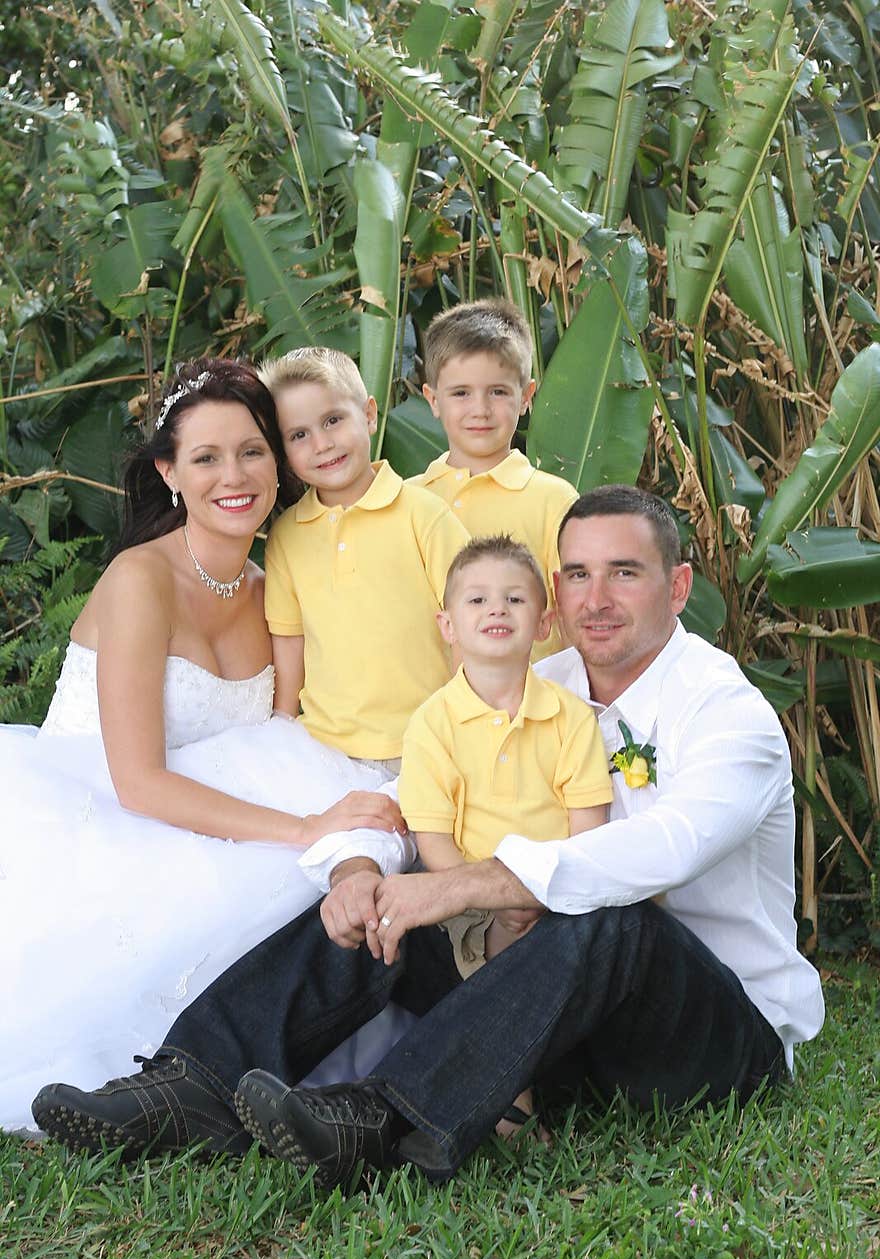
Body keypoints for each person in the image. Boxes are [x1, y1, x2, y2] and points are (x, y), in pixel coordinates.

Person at [33, 486, 825, 1184]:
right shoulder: (538, 684)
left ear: (678, 585)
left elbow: (660, 854)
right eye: (578, 574)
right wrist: (357, 870)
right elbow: (406, 794)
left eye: (626, 572)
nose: (598, 597)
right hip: (549, 1017)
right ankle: (193, 1083)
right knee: (383, 903)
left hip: (709, 1031)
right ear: (556, 590)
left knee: (613, 917)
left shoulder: (729, 716)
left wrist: (458, 885)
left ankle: (382, 1120)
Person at [0, 358, 407, 1137]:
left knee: (339, 870)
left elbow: (295, 726)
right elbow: (140, 783)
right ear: (170, 473)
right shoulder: (138, 581)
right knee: (287, 864)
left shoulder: (273, 585)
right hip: (102, 811)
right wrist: (301, 827)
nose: (236, 475)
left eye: (252, 451)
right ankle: (167, 1088)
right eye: (207, 457)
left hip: (217, 808)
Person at [398, 533, 612, 1133]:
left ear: (544, 623)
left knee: (551, 938)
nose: (497, 610)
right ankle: (512, 1104)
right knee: (502, 943)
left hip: (557, 892)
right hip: (465, 901)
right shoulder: (433, 725)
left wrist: (542, 892)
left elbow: (587, 832)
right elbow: (433, 840)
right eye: (477, 601)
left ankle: (514, 1092)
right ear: (447, 625)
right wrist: (489, 898)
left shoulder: (571, 719)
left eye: (515, 600)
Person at [258, 347, 470, 768]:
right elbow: (291, 644)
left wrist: (465, 723)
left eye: (333, 420)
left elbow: (469, 623)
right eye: (299, 435)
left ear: (369, 414)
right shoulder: (285, 537)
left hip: (424, 743)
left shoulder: (423, 514)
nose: (322, 444)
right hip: (324, 750)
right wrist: (281, 731)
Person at [412, 298, 578, 661]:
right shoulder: (409, 499)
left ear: (526, 397)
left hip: (525, 707)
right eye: (461, 393)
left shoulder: (554, 500)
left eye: (498, 391)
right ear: (433, 399)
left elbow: (572, 619)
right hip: (428, 712)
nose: (480, 409)